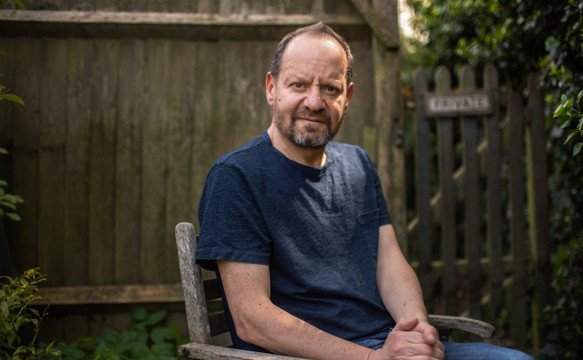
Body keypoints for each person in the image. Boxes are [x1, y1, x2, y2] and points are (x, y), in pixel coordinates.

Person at [196, 22, 532, 360]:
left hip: (386, 346)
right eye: (298, 84)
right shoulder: (235, 177)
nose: (314, 102)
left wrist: (415, 332)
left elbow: (389, 262)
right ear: (272, 89)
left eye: (330, 88)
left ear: (348, 97)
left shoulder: (357, 164)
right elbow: (252, 319)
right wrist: (373, 359)